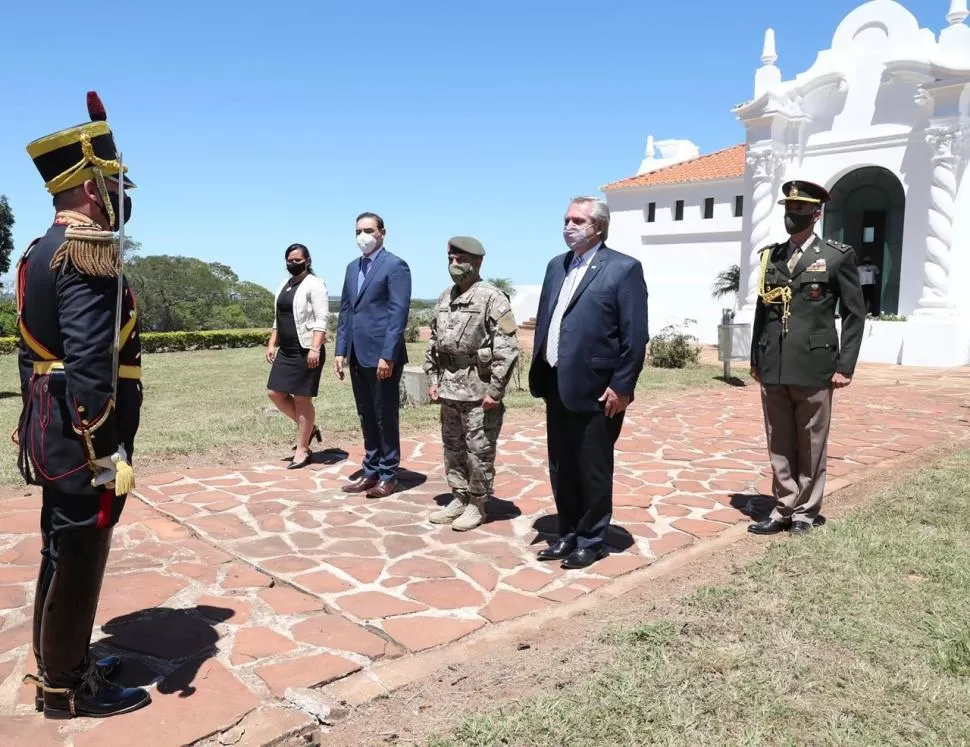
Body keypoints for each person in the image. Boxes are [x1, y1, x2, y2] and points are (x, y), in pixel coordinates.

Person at [15, 92, 151, 719]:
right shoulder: (88, 249)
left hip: (50, 423)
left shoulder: (36, 251)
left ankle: (57, 659)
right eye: (119, 182)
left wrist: (29, 424)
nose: (125, 193)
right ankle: (67, 685)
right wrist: (104, 446)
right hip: (83, 434)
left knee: (57, 545)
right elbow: (90, 359)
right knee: (80, 551)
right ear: (94, 188)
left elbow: (31, 352)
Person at [528, 196, 649, 569]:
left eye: (577, 220)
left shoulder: (623, 269)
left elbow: (635, 335)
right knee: (562, 465)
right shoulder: (556, 266)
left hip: (598, 389)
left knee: (592, 468)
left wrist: (623, 386)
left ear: (598, 226)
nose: (569, 226)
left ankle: (592, 538)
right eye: (566, 219)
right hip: (555, 383)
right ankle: (566, 532)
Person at [748, 179, 866, 535]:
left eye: (799, 209)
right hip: (774, 364)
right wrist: (756, 356)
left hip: (815, 364)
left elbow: (854, 313)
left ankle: (805, 511)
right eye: (788, 208)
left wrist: (845, 366)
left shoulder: (836, 255)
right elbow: (762, 310)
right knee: (779, 439)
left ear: (816, 213)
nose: (791, 214)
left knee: (812, 439)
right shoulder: (772, 256)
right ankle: (784, 505)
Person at [423, 237, 519, 531]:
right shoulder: (444, 298)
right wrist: (433, 377)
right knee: (452, 447)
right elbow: (434, 343)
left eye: (460, 259)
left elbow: (507, 348)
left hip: (479, 390)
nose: (454, 265)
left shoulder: (492, 298)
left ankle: (478, 504)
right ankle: (459, 496)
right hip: (450, 388)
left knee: (479, 450)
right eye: (450, 259)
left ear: (477, 262)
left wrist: (496, 390)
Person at [334, 212, 412, 498]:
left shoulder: (395, 266)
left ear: (382, 232)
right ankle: (370, 471)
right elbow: (345, 311)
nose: (362, 236)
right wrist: (340, 350)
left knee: (384, 415)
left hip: (382, 355)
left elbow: (398, 313)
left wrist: (388, 355)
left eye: (368, 230)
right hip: (356, 353)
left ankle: (388, 474)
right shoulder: (351, 268)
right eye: (358, 231)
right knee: (366, 414)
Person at [266, 243, 329, 468]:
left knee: (302, 398)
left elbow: (322, 319)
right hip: (287, 349)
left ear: (307, 260)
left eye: (297, 260)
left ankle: (302, 448)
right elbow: (278, 317)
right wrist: (272, 343)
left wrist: (314, 348)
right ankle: (309, 428)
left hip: (306, 349)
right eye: (289, 261)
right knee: (275, 392)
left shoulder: (315, 284)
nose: (293, 264)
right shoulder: (284, 284)